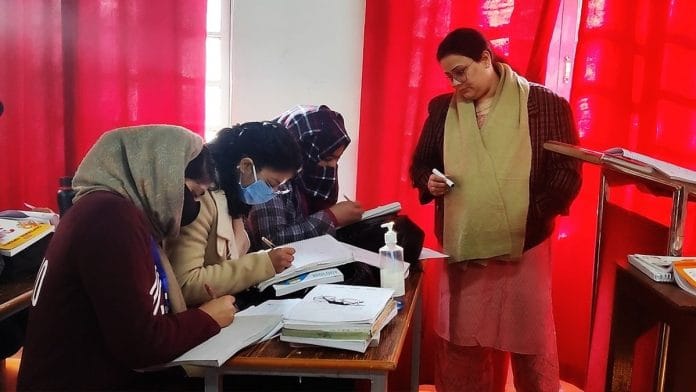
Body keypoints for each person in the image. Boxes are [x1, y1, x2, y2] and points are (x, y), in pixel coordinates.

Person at [410, 28, 581, 392]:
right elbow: (421, 165)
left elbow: (566, 175)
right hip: (464, 242)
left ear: (486, 59)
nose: (456, 83)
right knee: (463, 340)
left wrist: (525, 216)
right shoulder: (443, 110)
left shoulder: (545, 104)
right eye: (449, 76)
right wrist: (430, 182)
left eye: (462, 71)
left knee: (528, 340)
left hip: (525, 242)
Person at [17, 125, 236, 391]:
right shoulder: (110, 218)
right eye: (191, 192)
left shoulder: (114, 211)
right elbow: (142, 345)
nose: (192, 206)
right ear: (160, 175)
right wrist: (206, 319)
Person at [166, 122, 302, 306]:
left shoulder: (234, 197)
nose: (272, 194)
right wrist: (262, 265)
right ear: (246, 166)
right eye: (270, 184)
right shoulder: (201, 198)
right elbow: (185, 285)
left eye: (279, 188)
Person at [246, 105, 364, 250]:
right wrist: (331, 217)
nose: (333, 166)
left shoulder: (311, 178)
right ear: (303, 151)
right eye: (327, 158)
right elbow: (271, 241)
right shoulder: (272, 177)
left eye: (337, 159)